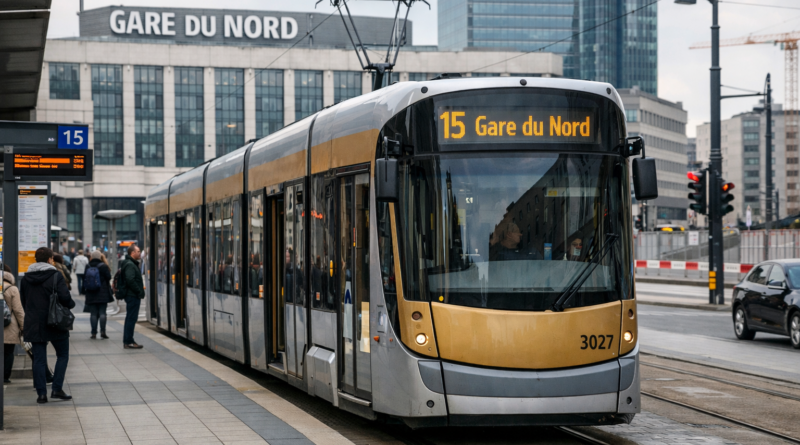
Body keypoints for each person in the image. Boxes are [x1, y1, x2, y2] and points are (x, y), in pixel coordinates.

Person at [20, 247, 75, 403]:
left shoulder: (26, 278)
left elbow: (24, 301)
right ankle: (57, 389)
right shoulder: (55, 275)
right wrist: (70, 305)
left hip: (34, 323)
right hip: (55, 321)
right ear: (50, 259)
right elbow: (65, 297)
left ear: (35, 259)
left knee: (39, 359)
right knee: (62, 355)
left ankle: (41, 394)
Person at [118, 244, 144, 349]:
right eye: (138, 251)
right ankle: (129, 341)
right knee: (131, 319)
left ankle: (128, 341)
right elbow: (130, 279)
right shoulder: (130, 264)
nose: (140, 253)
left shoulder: (130, 263)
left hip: (132, 295)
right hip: (132, 295)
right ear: (132, 253)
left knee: (130, 318)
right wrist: (138, 291)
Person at [84, 251, 113, 339]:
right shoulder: (103, 266)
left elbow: (84, 278)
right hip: (102, 292)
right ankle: (103, 332)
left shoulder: (88, 266)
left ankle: (93, 333)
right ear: (100, 257)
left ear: (91, 257)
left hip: (91, 292)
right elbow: (108, 277)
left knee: (93, 314)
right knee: (102, 313)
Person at [3, 264, 24, 383]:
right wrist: (23, 326)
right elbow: (18, 310)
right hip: (8, 326)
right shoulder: (12, 288)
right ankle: (5, 377)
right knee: (8, 352)